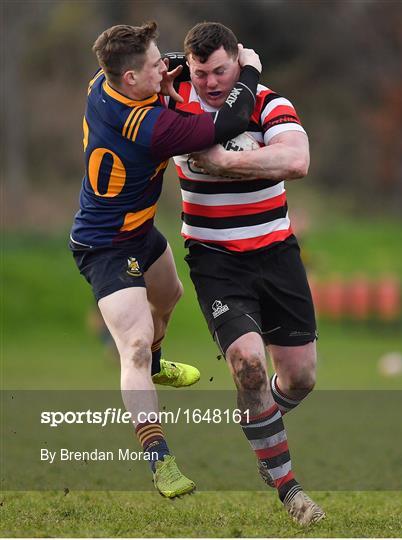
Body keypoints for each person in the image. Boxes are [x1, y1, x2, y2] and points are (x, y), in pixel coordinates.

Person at [69, 21, 262, 498]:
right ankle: (160, 460)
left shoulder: (105, 79)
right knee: (132, 345)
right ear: (131, 79)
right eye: (156, 65)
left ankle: (156, 365)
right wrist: (249, 73)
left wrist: (169, 72)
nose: (165, 66)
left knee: (170, 295)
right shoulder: (150, 127)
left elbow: (161, 70)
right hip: (104, 244)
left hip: (138, 230)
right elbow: (227, 125)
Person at [167, 22, 325, 524]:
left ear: (238, 59)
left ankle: (260, 422)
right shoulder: (175, 106)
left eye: (220, 70)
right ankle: (290, 491)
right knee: (248, 364)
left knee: (299, 378)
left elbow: (297, 160)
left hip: (276, 253)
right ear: (186, 69)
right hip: (215, 260)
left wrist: (226, 164)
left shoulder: (269, 103)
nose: (211, 82)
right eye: (200, 72)